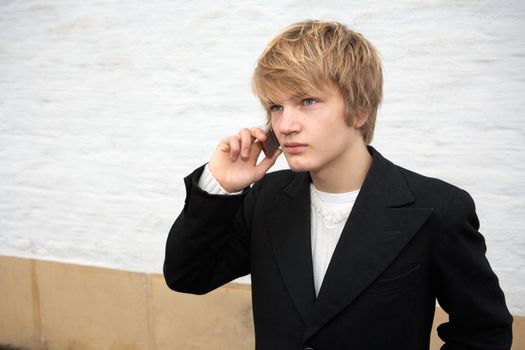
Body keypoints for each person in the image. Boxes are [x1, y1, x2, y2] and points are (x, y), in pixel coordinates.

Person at [164, 20, 512, 349]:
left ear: (359, 108)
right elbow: (188, 275)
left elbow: (484, 332)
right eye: (276, 106)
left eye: (307, 101)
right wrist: (220, 186)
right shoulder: (266, 200)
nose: (285, 125)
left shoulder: (437, 209)